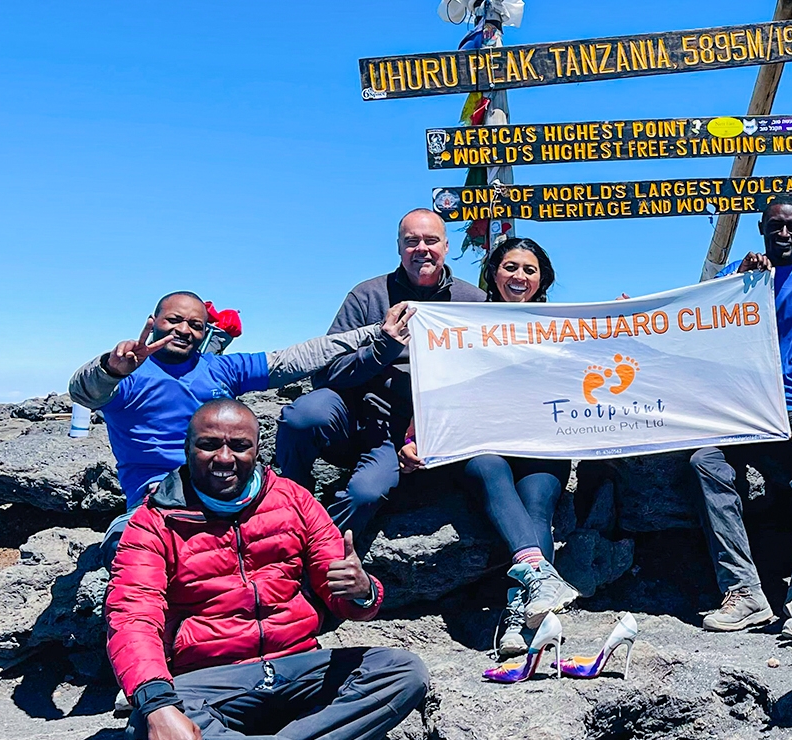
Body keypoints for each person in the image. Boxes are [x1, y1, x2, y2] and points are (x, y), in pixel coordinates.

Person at [107, 399, 427, 740]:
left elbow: (342, 594)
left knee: (402, 671)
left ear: (257, 450)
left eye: (240, 446)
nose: (225, 458)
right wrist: (157, 704)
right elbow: (132, 615)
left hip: (297, 665)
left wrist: (363, 592)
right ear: (187, 448)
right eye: (209, 445)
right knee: (148, 720)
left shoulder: (293, 499)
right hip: (210, 681)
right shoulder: (153, 521)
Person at [68, 290, 411, 563]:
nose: (184, 330)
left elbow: (292, 359)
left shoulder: (219, 368)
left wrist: (374, 334)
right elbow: (84, 391)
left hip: (234, 488)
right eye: (174, 320)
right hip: (159, 497)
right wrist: (109, 369)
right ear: (152, 321)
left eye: (195, 325)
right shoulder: (128, 375)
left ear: (205, 332)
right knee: (126, 546)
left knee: (294, 526)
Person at [397, 236, 578, 657]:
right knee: (488, 468)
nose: (519, 276)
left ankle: (520, 615)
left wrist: (617, 322)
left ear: (542, 279)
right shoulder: (460, 323)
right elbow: (434, 383)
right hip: (481, 443)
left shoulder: (564, 324)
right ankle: (539, 585)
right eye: (510, 267)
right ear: (494, 273)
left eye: (529, 270)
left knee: (537, 507)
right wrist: (411, 437)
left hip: (541, 443)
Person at [690, 196, 792, 642]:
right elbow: (695, 327)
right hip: (743, 410)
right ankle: (745, 593)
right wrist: (741, 280)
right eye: (776, 226)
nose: (784, 234)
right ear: (761, 228)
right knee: (705, 461)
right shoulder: (737, 277)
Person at [276, 209, 487, 537]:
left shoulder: (472, 302)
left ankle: (321, 549)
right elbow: (326, 372)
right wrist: (381, 350)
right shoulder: (367, 295)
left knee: (366, 495)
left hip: (402, 431)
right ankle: (291, 501)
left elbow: (485, 379)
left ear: (446, 246)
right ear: (399, 248)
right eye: (411, 241)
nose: (421, 248)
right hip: (350, 415)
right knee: (302, 415)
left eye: (431, 241)